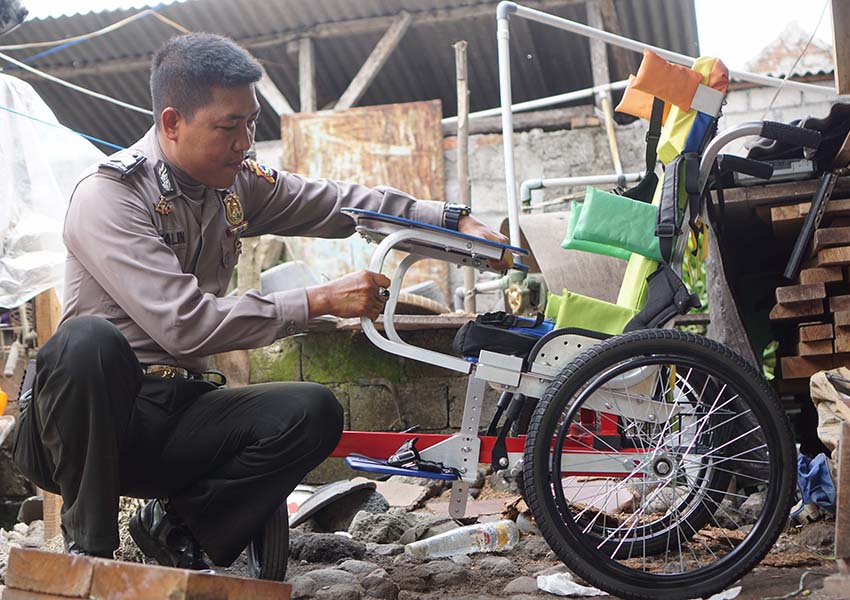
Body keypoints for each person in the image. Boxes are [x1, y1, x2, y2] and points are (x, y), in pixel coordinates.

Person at [12, 33, 511, 570]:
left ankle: (177, 526)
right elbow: (185, 324)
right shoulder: (110, 194)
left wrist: (449, 221)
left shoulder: (233, 186)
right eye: (229, 127)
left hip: (174, 415)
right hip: (81, 426)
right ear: (172, 123)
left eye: (251, 124)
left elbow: (337, 203)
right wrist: (320, 298)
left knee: (311, 411)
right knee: (87, 342)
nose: (245, 143)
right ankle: (89, 556)